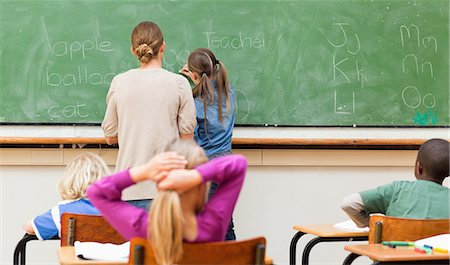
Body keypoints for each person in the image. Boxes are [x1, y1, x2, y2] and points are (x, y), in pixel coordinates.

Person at [87, 140, 247, 265]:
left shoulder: (143, 227)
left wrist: (144, 171)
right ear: (202, 186)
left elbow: (97, 192)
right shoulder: (213, 224)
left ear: (159, 182)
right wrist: (196, 176)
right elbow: (238, 164)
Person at [102, 21, 196, 208]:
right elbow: (187, 141)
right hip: (167, 189)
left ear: (133, 51)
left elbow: (110, 137)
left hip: (127, 188)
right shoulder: (178, 83)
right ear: (163, 47)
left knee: (131, 239)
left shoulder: (119, 82)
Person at [180, 48, 237, 240]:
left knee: (203, 224)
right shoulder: (229, 93)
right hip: (228, 165)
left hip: (206, 166)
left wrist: (193, 82)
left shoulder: (194, 102)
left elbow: (191, 140)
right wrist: (197, 78)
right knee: (225, 223)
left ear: (195, 74)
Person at [341, 138, 450, 228]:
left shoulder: (397, 190)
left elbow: (348, 204)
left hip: (394, 253)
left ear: (419, 167)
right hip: (438, 255)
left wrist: (372, 226)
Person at [23, 153, 109, 240]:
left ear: (71, 181)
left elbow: (29, 228)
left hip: (78, 253)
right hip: (114, 253)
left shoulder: (63, 211)